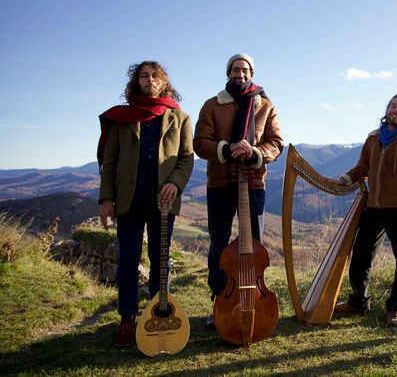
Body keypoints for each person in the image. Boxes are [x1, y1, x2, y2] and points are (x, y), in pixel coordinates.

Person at [98, 61, 194, 347]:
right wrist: (106, 199)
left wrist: (174, 184)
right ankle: (127, 318)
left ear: (164, 82)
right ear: (136, 81)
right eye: (144, 76)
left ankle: (158, 314)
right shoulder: (123, 118)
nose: (149, 80)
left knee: (160, 261)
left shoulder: (180, 118)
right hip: (129, 199)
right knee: (128, 260)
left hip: (163, 201)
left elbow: (187, 158)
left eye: (155, 76)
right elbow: (110, 161)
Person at [193, 53, 283, 326]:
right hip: (220, 181)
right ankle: (220, 301)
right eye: (235, 69)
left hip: (254, 182)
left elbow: (276, 143)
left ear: (251, 72)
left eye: (244, 69)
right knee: (219, 243)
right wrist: (226, 148)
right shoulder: (212, 105)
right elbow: (200, 142)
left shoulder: (265, 106)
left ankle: (253, 300)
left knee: (254, 243)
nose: (239, 74)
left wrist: (254, 151)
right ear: (228, 72)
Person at [334, 93, 397, 327]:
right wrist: (347, 177)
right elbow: (363, 167)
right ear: (386, 109)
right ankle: (358, 301)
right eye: (393, 106)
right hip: (372, 207)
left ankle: (395, 308)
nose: (396, 110)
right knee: (360, 258)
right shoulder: (374, 138)